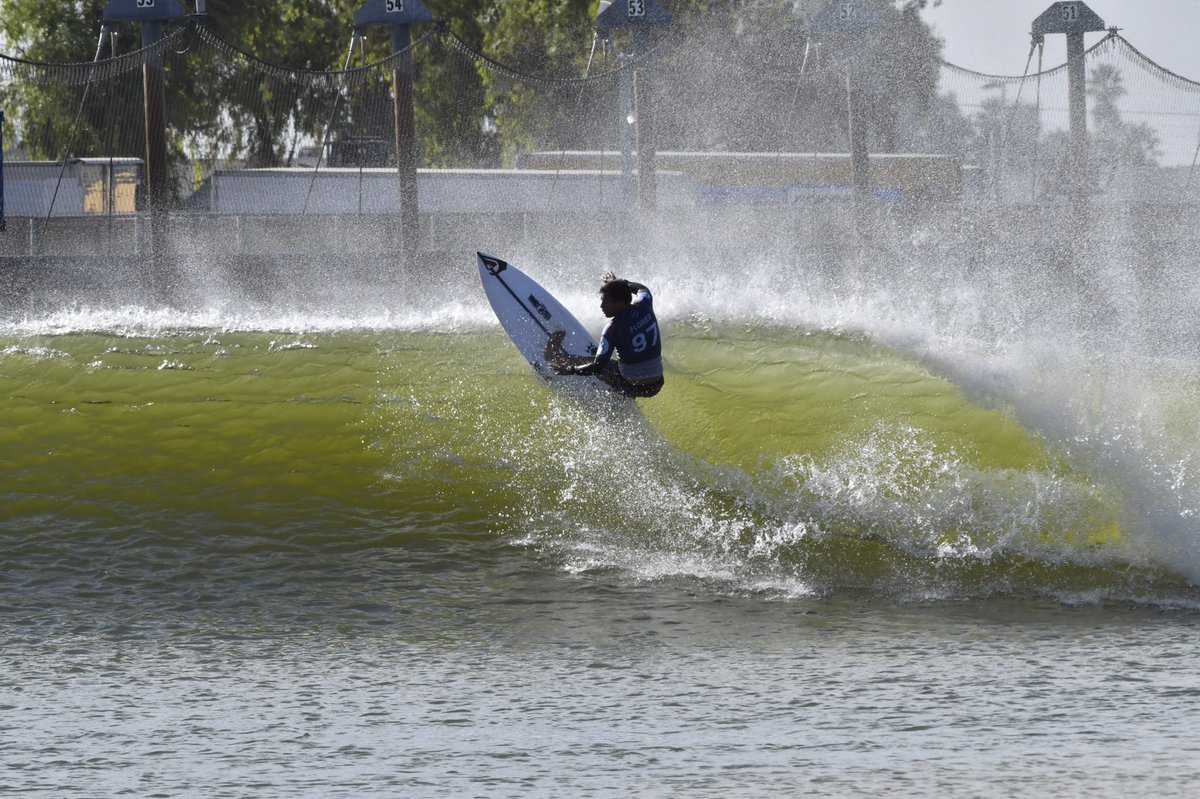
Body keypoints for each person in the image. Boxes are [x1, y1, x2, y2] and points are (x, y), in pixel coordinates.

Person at [544, 271, 664, 398]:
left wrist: (570, 370)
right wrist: (620, 283)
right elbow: (642, 288)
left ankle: (553, 356)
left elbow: (598, 367)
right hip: (656, 385)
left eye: (606, 302)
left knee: (590, 360)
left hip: (632, 385)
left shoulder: (613, 328)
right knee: (628, 362)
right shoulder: (644, 305)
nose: (601, 306)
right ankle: (622, 393)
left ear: (619, 302)